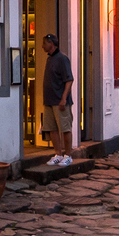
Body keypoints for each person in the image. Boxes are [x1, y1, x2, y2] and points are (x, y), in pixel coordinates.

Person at [40, 33, 73, 163]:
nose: (42, 46)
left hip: (60, 100)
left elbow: (69, 80)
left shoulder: (62, 59)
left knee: (65, 128)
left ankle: (68, 155)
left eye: (44, 43)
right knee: (51, 128)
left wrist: (64, 98)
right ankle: (58, 154)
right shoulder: (50, 59)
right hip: (49, 100)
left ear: (51, 44)